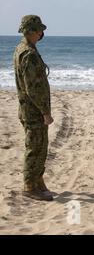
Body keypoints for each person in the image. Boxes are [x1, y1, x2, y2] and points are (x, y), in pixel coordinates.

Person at [13, 15, 53, 201]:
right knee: (35, 148)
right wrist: (45, 112)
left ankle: (37, 180)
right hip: (33, 110)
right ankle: (29, 186)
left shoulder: (24, 49)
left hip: (31, 108)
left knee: (40, 146)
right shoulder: (27, 53)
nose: (41, 34)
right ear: (30, 31)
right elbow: (32, 88)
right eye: (39, 30)